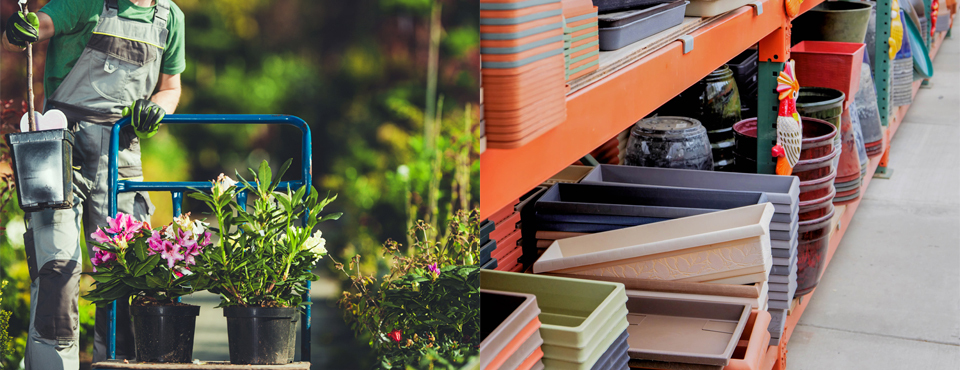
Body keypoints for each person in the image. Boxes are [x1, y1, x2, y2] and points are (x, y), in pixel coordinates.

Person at [3, 0, 185, 368]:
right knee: (58, 270)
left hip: (122, 154)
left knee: (125, 273)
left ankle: (115, 362)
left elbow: (171, 86)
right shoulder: (87, 2)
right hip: (61, 151)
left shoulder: (170, 18)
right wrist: (19, 29)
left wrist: (159, 109)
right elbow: (41, 24)